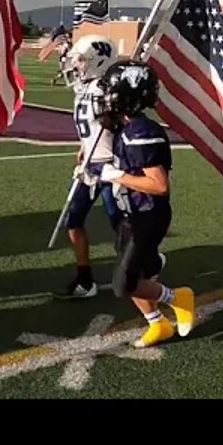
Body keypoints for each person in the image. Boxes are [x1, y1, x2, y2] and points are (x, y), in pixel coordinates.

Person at [91, 60, 195, 348]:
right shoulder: (126, 126)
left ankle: (179, 298)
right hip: (131, 211)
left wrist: (118, 176)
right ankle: (158, 324)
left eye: (111, 93)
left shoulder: (141, 131)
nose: (105, 99)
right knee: (138, 274)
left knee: (124, 284)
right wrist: (98, 175)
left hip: (146, 215)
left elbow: (159, 185)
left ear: (127, 96)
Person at [56, 35, 135, 299]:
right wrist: (84, 146)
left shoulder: (108, 90)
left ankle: (142, 268)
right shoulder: (84, 89)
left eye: (80, 59)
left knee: (122, 227)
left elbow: (126, 127)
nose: (75, 65)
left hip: (111, 168)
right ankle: (85, 279)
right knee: (73, 220)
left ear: (97, 60)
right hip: (89, 167)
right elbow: (89, 129)